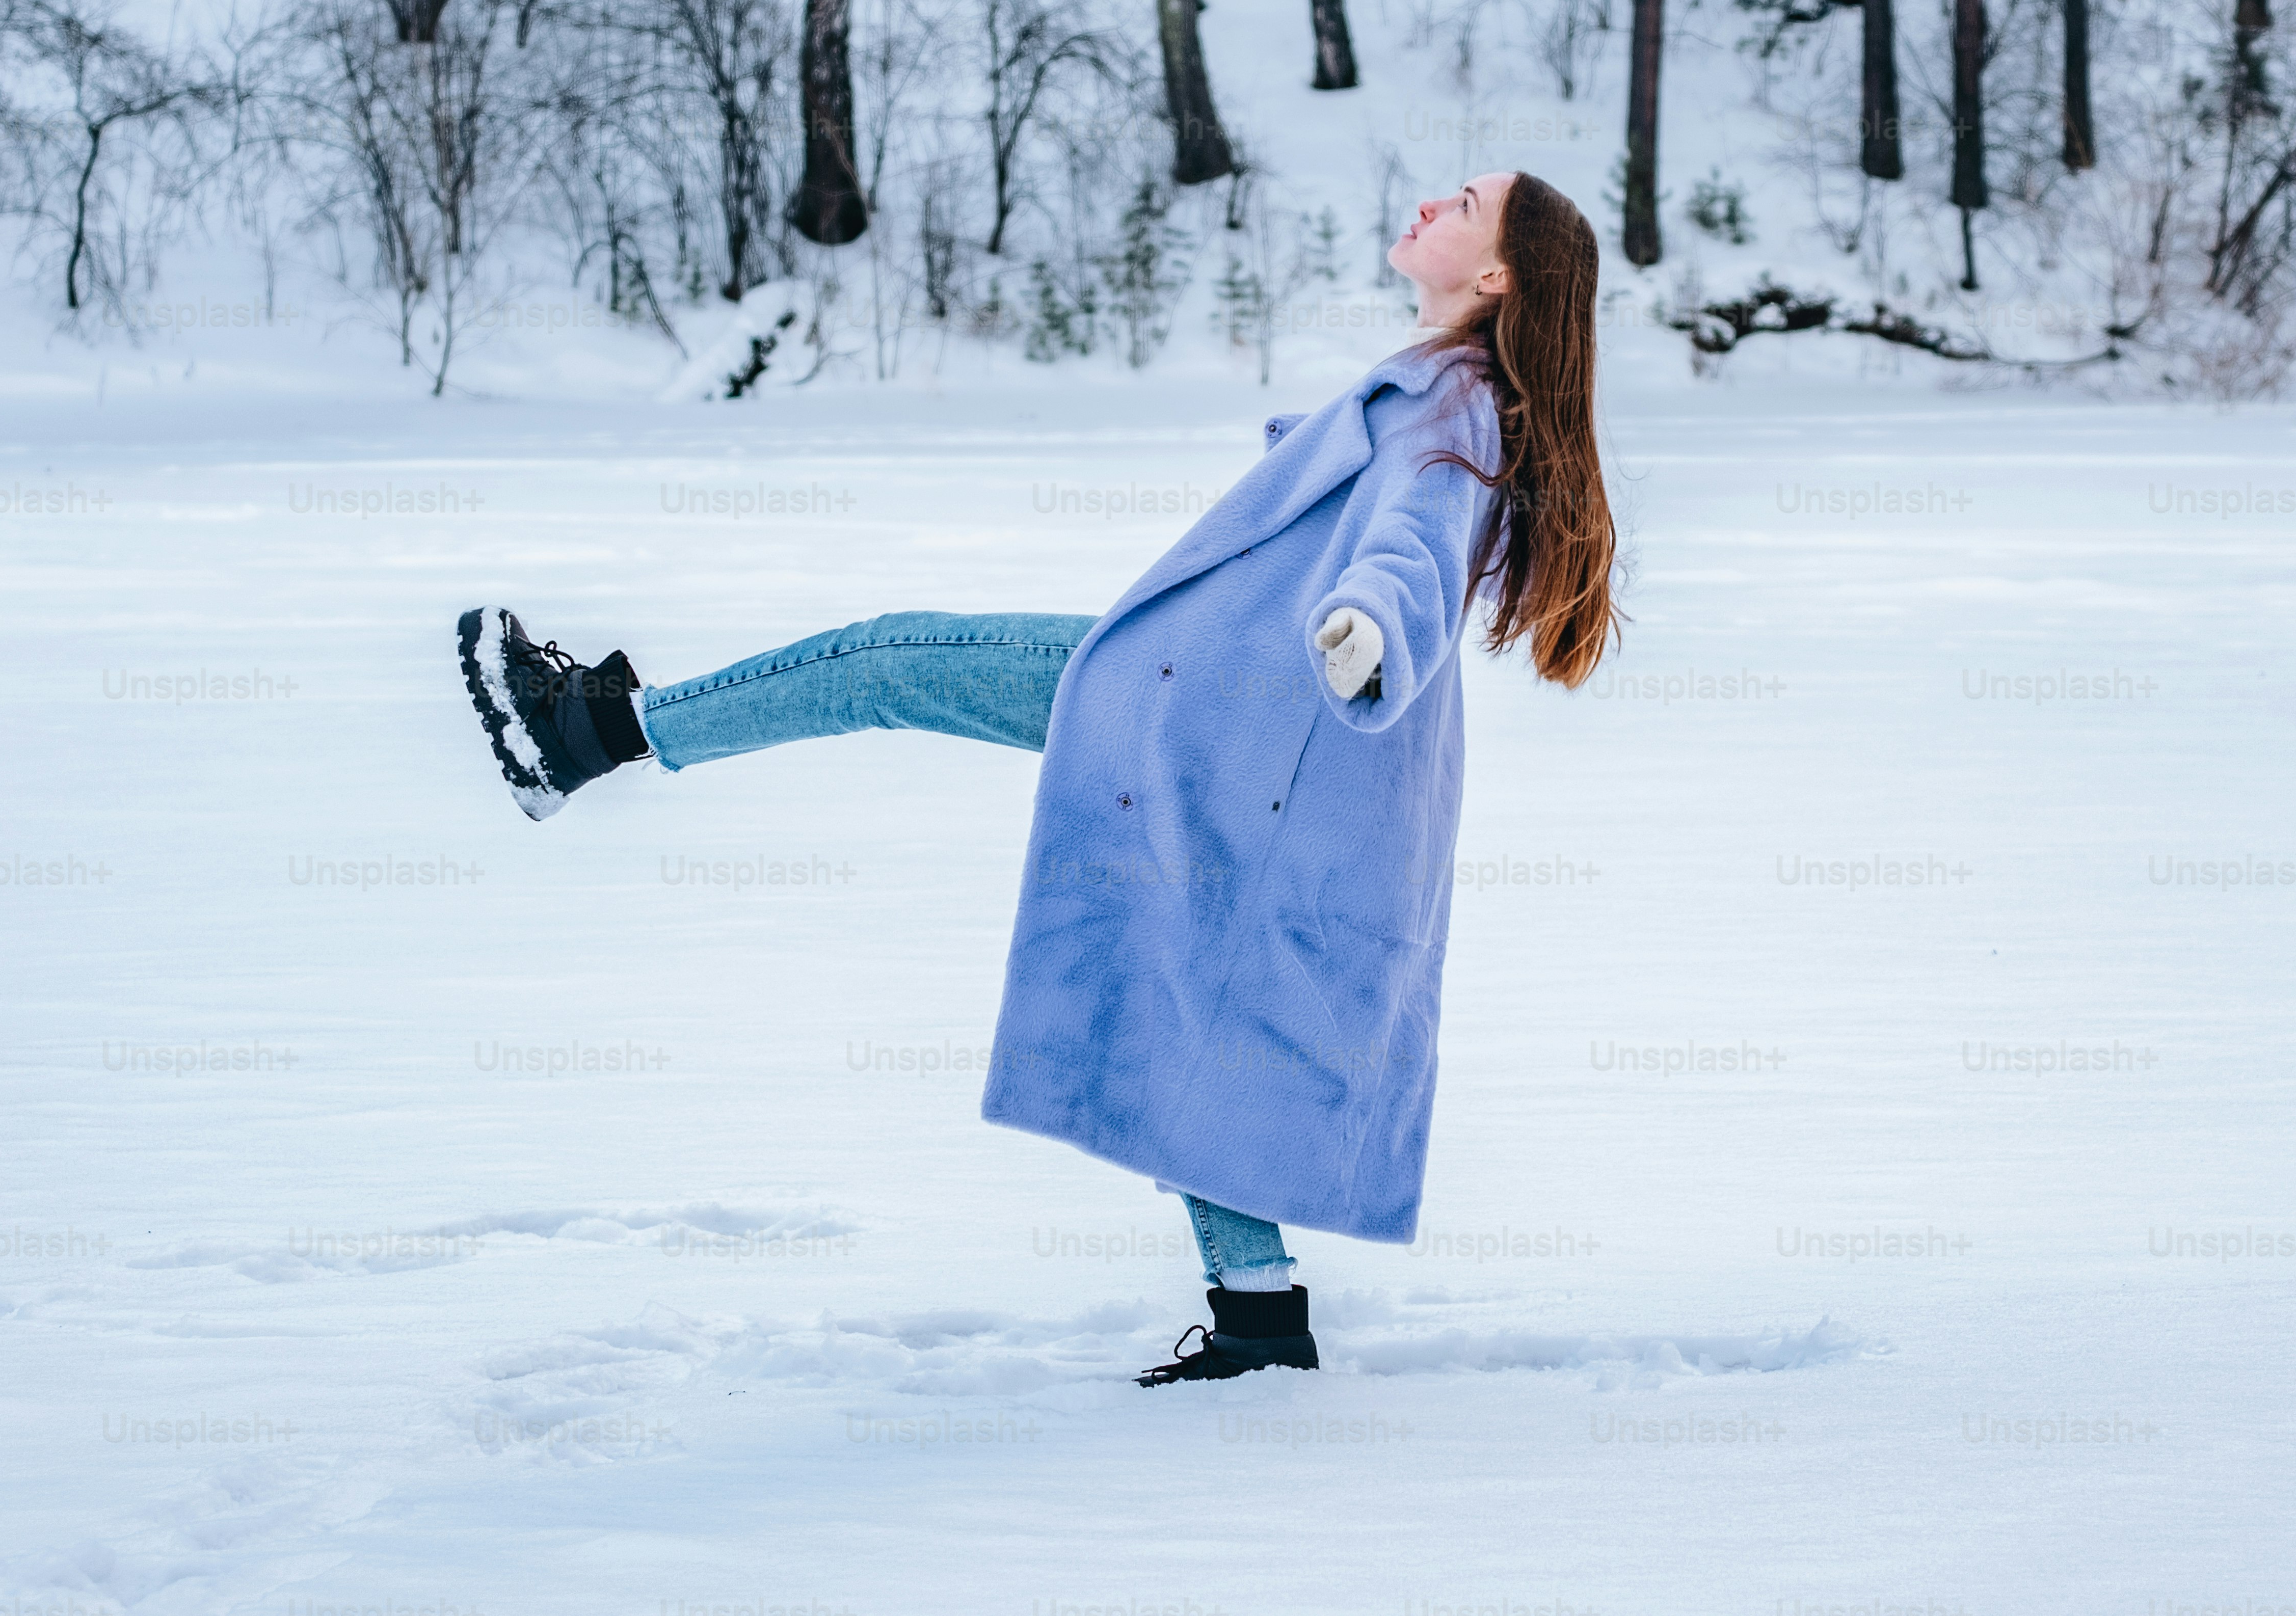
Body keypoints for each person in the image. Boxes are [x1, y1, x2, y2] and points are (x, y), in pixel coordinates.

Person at [455, 171, 1622, 1385]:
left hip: (1202, 713)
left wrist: (1374, 623)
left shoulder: (1454, 403)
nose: (1433, 200)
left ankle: (591, 732)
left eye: (1466, 199)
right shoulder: (1447, 385)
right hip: (1237, 739)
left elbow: (1414, 544)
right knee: (1194, 1006)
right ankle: (1259, 1314)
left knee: (891, 658)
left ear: (1497, 275)